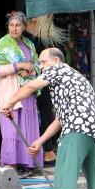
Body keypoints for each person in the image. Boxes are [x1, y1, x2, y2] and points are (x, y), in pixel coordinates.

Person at [1, 48, 95, 189]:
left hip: (78, 125)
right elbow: (59, 119)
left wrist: (10, 103)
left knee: (64, 168)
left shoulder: (58, 70)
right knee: (92, 169)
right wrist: (40, 141)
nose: (41, 67)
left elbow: (30, 86)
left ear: (57, 61)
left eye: (43, 62)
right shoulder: (73, 77)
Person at [0, 11, 43, 177]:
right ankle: (11, 166)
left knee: (28, 128)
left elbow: (38, 65)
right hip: (11, 93)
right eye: (11, 25)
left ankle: (27, 164)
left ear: (24, 27)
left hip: (27, 93)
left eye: (18, 25)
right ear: (8, 26)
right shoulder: (3, 44)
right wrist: (18, 66)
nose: (14, 28)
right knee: (11, 130)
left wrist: (31, 70)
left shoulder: (29, 44)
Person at [24, 15, 67, 166]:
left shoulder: (40, 38)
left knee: (45, 114)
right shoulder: (44, 37)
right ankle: (46, 151)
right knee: (45, 114)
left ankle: (47, 151)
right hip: (41, 80)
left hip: (43, 81)